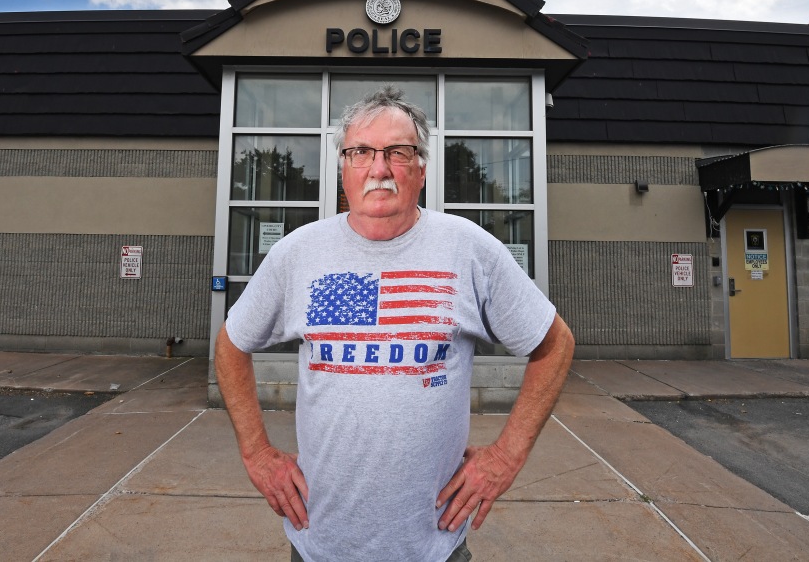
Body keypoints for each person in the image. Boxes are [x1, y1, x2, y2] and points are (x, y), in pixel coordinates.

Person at [215, 85, 575, 562]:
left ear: (421, 169)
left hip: (433, 545)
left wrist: (508, 454)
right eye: (360, 152)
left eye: (397, 153)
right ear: (343, 168)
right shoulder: (298, 254)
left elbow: (555, 345)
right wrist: (257, 453)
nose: (378, 169)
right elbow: (231, 343)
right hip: (318, 542)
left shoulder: (468, 249)